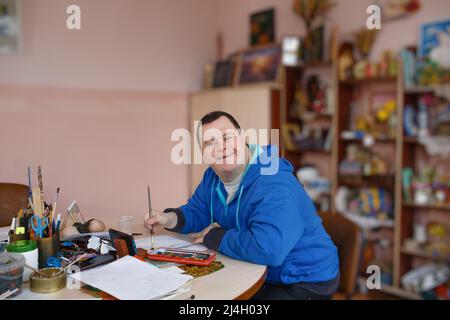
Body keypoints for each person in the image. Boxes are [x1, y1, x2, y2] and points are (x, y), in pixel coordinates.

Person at [145, 111, 339, 300]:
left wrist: (215, 236)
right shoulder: (212, 177)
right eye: (209, 142)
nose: (220, 147)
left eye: (227, 137)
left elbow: (268, 250)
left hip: (304, 279)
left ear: (242, 137)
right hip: (259, 269)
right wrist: (167, 218)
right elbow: (198, 210)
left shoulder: (274, 183)